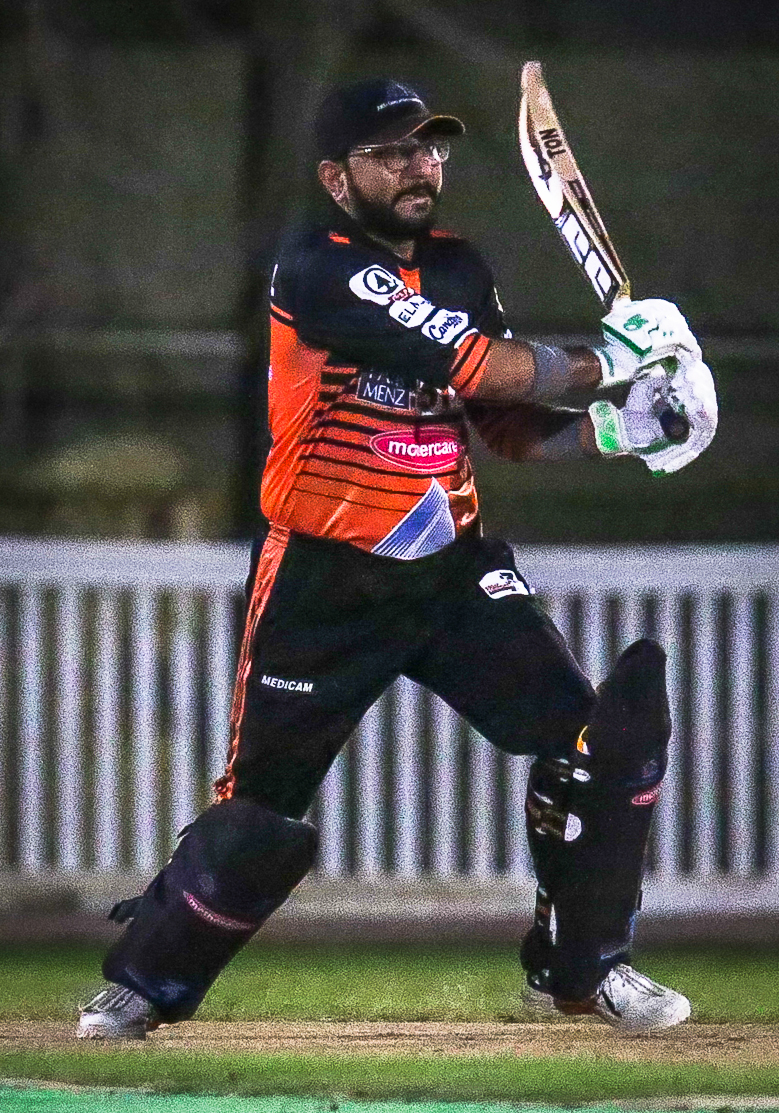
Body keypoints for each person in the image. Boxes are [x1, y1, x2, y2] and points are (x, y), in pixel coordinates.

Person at [78, 79, 717, 1040]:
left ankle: (586, 970)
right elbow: (475, 364)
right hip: (325, 577)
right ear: (337, 178)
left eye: (429, 148)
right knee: (260, 813)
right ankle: (144, 982)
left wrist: (625, 428)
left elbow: (501, 421)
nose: (419, 167)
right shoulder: (317, 268)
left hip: (453, 573)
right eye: (391, 153)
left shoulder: (460, 268)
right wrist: (617, 359)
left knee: (597, 743)